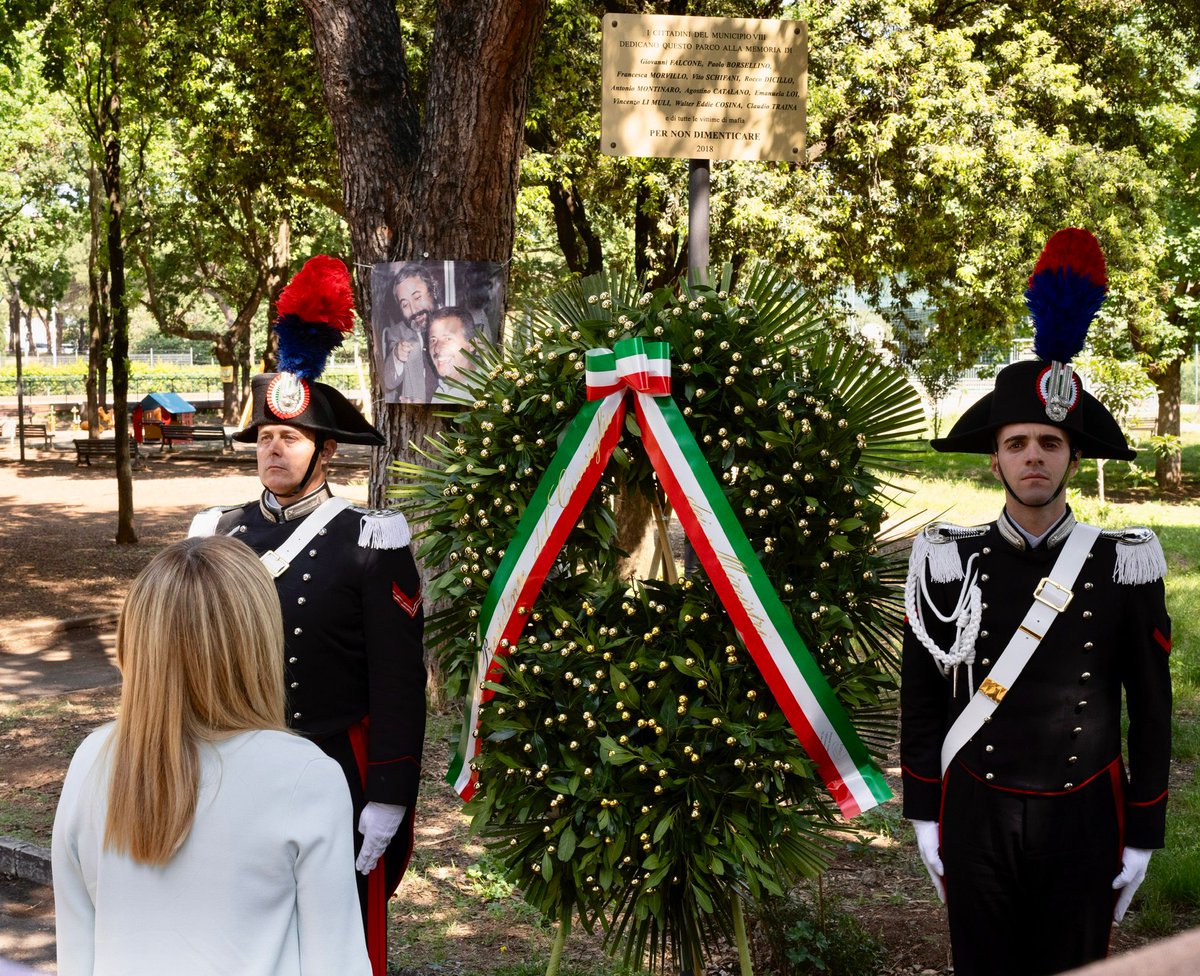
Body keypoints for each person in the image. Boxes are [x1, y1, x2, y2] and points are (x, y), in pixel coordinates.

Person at [901, 229, 1172, 976]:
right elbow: (922, 696)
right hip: (977, 806)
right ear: (994, 457)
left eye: (1049, 444)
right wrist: (924, 810)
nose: (1032, 458)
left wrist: (1143, 830)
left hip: (1085, 809)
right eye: (1017, 443)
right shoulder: (947, 561)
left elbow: (1151, 707)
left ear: (1072, 457)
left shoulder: (1127, 565)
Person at [189, 255, 426, 976]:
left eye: (288, 438)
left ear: (325, 450)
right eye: (263, 437)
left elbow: (396, 682)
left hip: (331, 767)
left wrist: (386, 795)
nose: (272, 449)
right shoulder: (214, 533)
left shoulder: (371, 539)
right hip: (227, 762)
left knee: (333, 929)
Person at [52, 535, 371, 976]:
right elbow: (336, 961)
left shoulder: (93, 758)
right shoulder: (305, 775)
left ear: (138, 642)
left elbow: (76, 949)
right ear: (256, 641)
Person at [381, 263, 442, 403]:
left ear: (433, 292)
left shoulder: (457, 321)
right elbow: (389, 382)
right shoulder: (397, 333)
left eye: (417, 297)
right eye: (405, 304)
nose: (414, 310)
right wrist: (397, 356)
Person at [427, 305, 479, 402]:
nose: (437, 349)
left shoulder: (485, 395)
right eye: (433, 340)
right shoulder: (441, 391)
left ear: (472, 344)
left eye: (448, 339)